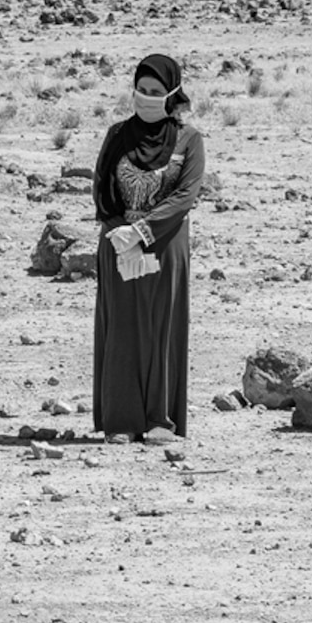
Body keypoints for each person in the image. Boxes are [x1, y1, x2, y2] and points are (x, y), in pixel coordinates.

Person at [88, 54, 205, 440]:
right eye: (141, 90)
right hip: (118, 242)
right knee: (121, 326)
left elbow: (185, 194)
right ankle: (120, 422)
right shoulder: (117, 134)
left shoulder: (189, 139)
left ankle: (158, 420)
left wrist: (143, 232)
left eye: (156, 92)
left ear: (172, 95)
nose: (147, 97)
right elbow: (101, 187)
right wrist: (121, 231)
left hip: (165, 243)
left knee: (161, 326)